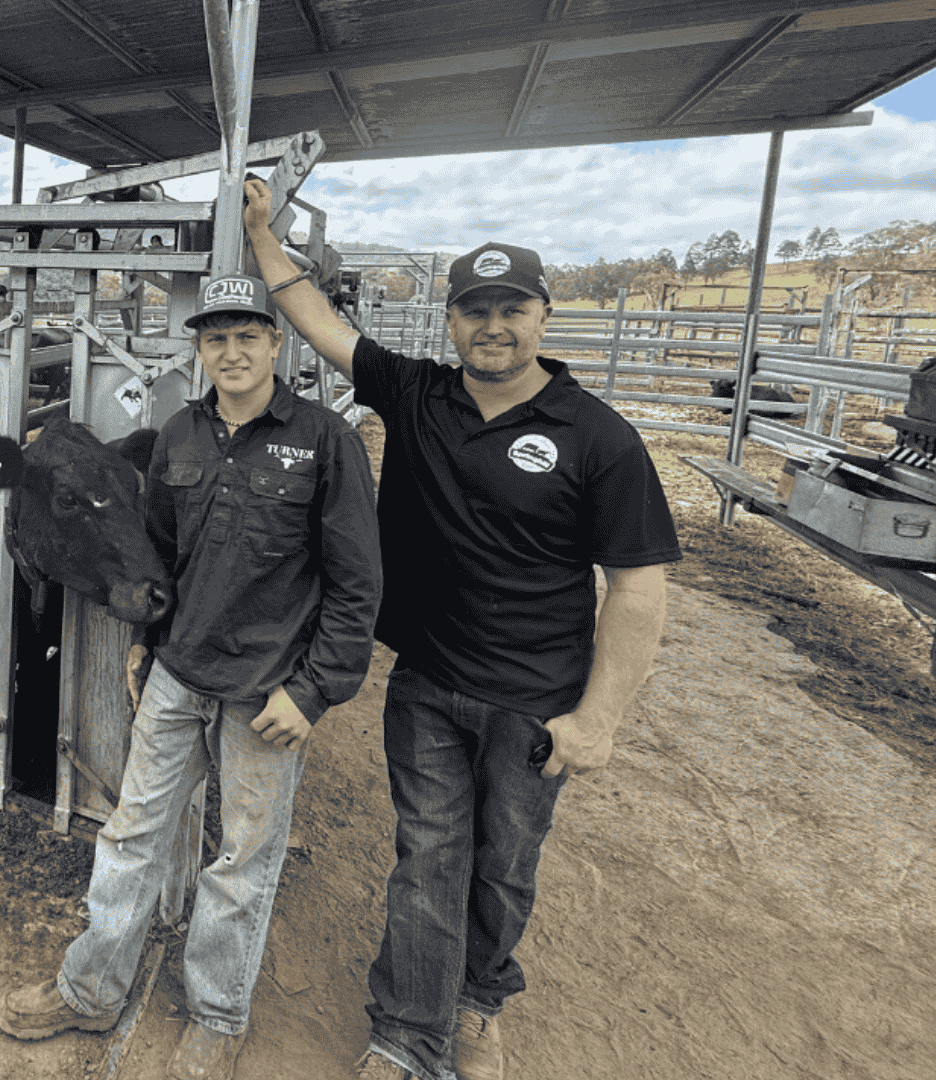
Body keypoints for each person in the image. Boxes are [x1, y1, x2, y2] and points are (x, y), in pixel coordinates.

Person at [242, 177, 681, 1080]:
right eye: (475, 310)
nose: (494, 327)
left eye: (512, 309)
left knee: (503, 865)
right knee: (429, 858)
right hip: (428, 682)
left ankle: (479, 1001)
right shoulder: (415, 393)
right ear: (449, 322)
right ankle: (407, 1036)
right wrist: (259, 235)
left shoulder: (598, 438)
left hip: (535, 701)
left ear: (544, 316)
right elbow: (317, 320)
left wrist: (598, 720)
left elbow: (637, 587)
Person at [0, 275, 383, 1080]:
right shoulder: (178, 435)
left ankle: (216, 1016)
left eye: (247, 335)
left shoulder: (325, 441)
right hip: (178, 675)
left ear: (275, 343)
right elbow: (161, 556)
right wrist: (146, 642)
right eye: (216, 338)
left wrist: (313, 692)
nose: (231, 352)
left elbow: (358, 583)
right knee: (132, 835)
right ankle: (91, 989)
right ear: (200, 349)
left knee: (242, 860)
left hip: (266, 691)